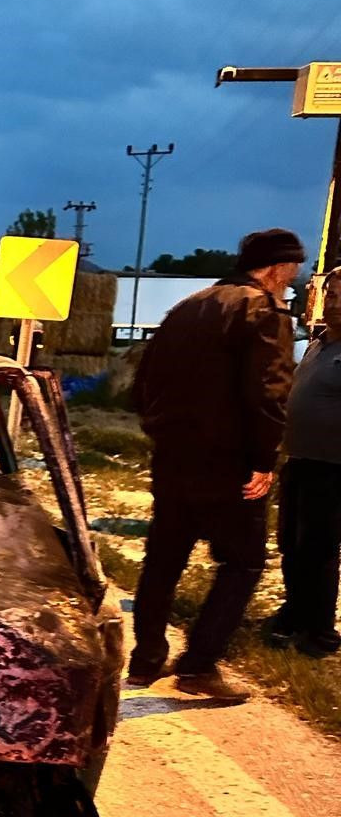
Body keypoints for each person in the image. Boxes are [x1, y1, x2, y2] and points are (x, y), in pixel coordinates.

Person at [128, 227, 304, 704]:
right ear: (272, 268)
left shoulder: (188, 306)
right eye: (291, 272)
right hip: (228, 463)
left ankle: (144, 659)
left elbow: (140, 383)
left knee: (164, 558)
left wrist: (162, 432)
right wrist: (264, 460)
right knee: (244, 562)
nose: (293, 282)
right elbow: (269, 391)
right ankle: (199, 665)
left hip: (173, 457)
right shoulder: (263, 310)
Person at [265, 267, 341, 657]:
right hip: (300, 460)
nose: (336, 302)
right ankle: (295, 613)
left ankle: (321, 633)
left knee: (320, 548)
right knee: (291, 544)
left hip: (333, 467)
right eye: (332, 295)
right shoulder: (318, 342)